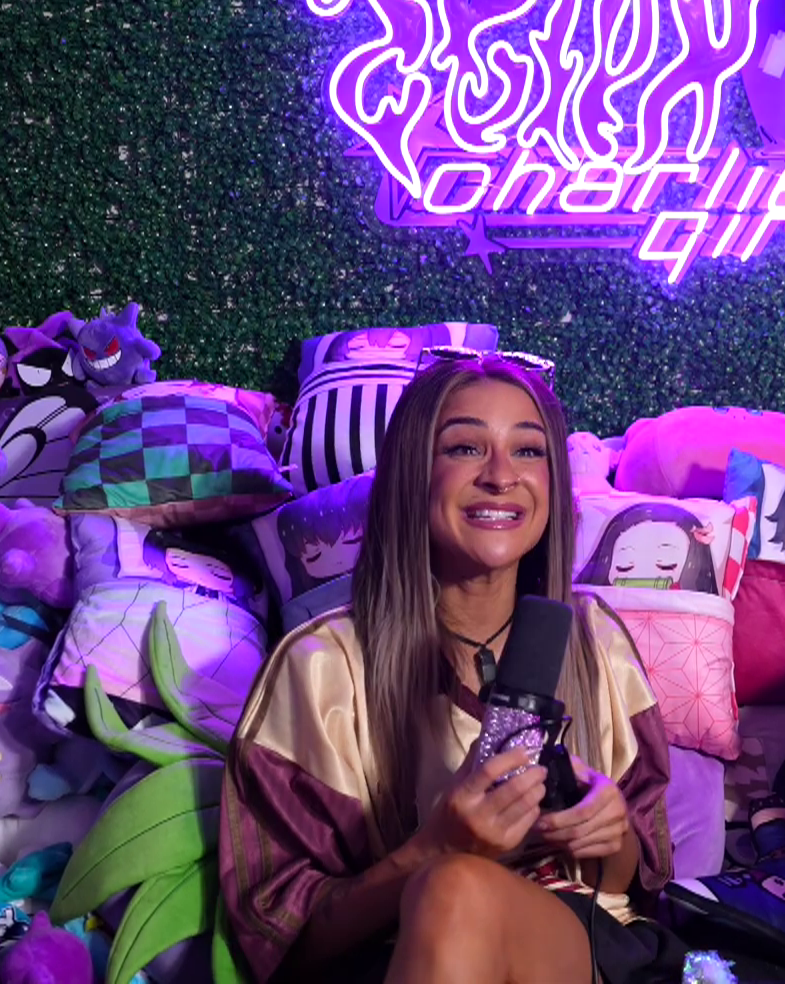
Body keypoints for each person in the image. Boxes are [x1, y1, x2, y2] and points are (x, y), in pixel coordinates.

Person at [220, 354, 684, 983]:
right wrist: (434, 849)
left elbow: (637, 886)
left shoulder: (595, 639)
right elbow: (281, 947)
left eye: (528, 451)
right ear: (413, 474)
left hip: (588, 951)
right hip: (395, 957)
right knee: (453, 888)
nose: (501, 476)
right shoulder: (320, 667)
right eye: (465, 448)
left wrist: (609, 831)